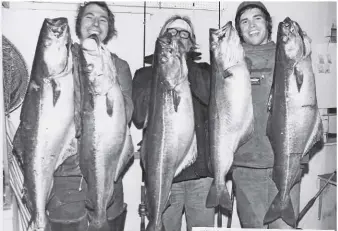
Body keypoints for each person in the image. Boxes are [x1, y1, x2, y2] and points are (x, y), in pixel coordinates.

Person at [46, 2, 133, 231]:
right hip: (66, 181)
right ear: (78, 24)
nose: (95, 23)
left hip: (108, 177)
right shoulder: (60, 62)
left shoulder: (119, 66)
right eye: (89, 17)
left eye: (102, 19)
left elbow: (127, 114)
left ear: (109, 29)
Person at [132, 15, 214, 231]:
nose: (177, 37)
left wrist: (183, 63)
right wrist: (162, 70)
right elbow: (139, 116)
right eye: (171, 33)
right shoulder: (144, 75)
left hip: (201, 175)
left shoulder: (205, 71)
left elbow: (210, 98)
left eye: (184, 34)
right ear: (161, 40)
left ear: (192, 43)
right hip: (161, 173)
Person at [232, 1, 309, 228]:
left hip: (285, 163)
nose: (251, 25)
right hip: (246, 168)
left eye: (257, 18)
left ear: (267, 22)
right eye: (244, 21)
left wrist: (305, 55)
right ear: (239, 29)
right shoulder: (230, 60)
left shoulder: (288, 53)